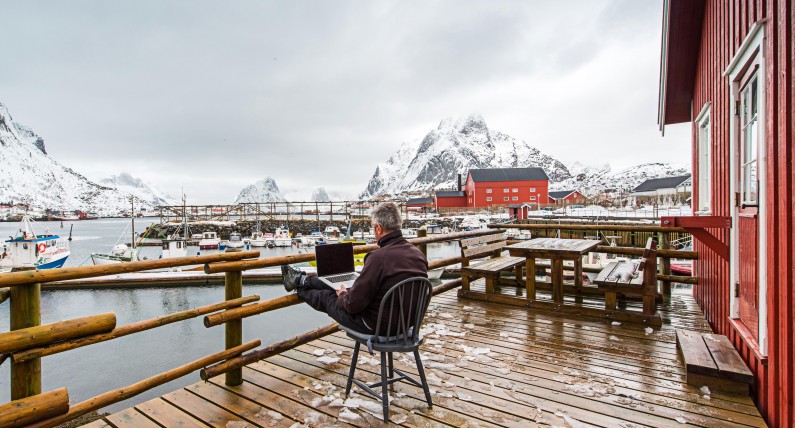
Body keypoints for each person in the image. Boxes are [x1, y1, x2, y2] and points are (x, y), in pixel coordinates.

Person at [281, 202, 427, 334]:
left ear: (378, 228)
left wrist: (343, 295)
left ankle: (298, 288)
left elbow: (352, 305)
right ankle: (301, 279)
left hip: (377, 327)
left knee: (326, 296)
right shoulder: (418, 255)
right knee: (339, 286)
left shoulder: (378, 258)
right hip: (406, 325)